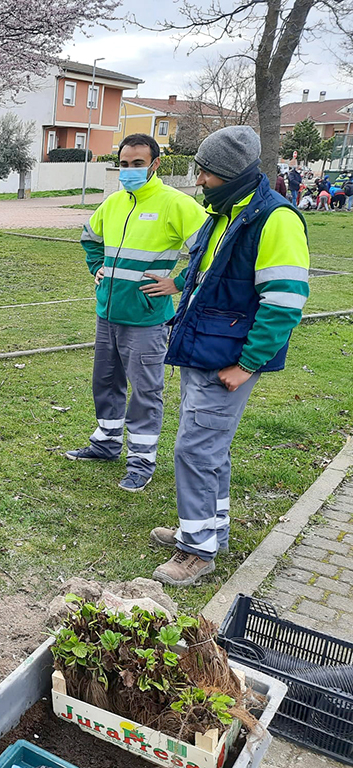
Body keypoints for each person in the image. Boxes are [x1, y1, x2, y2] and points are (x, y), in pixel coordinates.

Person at [149, 126, 309, 587]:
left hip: (228, 360)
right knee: (209, 448)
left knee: (195, 450)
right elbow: (208, 270)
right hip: (203, 349)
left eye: (207, 172)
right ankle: (208, 530)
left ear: (234, 173)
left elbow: (285, 302)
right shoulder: (224, 212)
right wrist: (179, 284)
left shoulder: (275, 219)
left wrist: (247, 364)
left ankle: (197, 552)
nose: (199, 179)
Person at [67, 134, 207, 492]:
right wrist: (96, 267)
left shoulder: (177, 204)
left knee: (146, 391)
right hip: (108, 313)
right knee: (105, 381)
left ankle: (141, 462)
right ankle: (106, 443)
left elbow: (211, 250)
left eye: (137, 164)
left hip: (146, 319)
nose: (129, 170)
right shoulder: (113, 202)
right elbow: (90, 237)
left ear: (155, 164)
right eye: (124, 164)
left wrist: (178, 283)